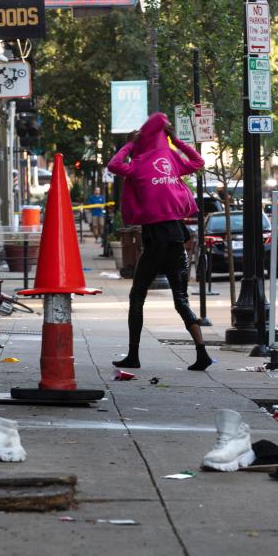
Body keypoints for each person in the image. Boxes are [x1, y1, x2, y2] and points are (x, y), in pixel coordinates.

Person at [107, 112, 212, 371]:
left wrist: (130, 144)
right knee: (181, 300)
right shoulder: (172, 157)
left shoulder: (138, 163)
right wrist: (176, 140)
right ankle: (202, 354)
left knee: (137, 297)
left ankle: (133, 355)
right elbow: (198, 161)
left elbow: (114, 165)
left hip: (156, 241)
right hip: (176, 239)